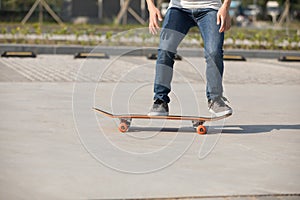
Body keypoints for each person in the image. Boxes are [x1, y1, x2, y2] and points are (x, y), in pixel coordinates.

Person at [146, 0, 233, 117]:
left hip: (210, 8)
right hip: (178, 10)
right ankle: (160, 101)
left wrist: (225, 7)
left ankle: (215, 99)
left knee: (214, 52)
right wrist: (151, 7)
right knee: (165, 49)